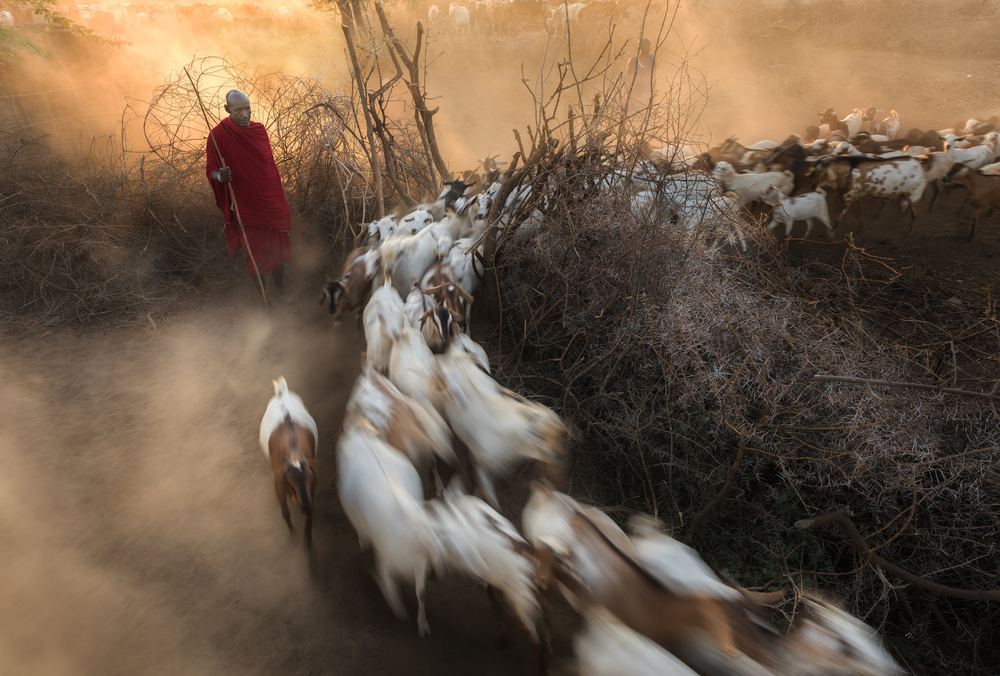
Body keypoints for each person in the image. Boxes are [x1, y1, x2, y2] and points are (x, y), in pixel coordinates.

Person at [206, 89, 291, 301]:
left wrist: (279, 202)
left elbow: (269, 170)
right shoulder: (217, 136)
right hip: (245, 207)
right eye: (238, 111)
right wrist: (220, 176)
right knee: (255, 254)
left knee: (277, 251)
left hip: (270, 202)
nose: (245, 115)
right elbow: (211, 170)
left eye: (247, 109)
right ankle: (264, 300)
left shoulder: (259, 132)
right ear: (228, 110)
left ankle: (280, 294)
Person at [625, 37, 656, 109]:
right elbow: (627, 79)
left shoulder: (652, 60)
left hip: (647, 93)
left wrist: (653, 96)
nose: (649, 47)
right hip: (634, 93)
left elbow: (654, 79)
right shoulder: (632, 61)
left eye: (650, 45)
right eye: (647, 45)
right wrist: (627, 95)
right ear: (641, 46)